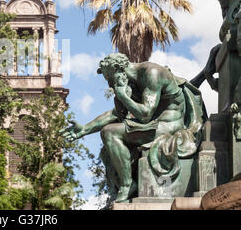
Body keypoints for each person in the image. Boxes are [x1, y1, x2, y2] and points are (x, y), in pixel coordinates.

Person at [62, 53, 205, 202]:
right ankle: (124, 185)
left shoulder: (152, 73)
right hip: (153, 125)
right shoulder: (132, 83)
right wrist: (85, 129)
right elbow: (116, 114)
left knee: (110, 133)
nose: (110, 85)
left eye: (110, 79)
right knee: (108, 145)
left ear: (119, 70)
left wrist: (123, 96)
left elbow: (145, 114)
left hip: (169, 125)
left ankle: (127, 185)